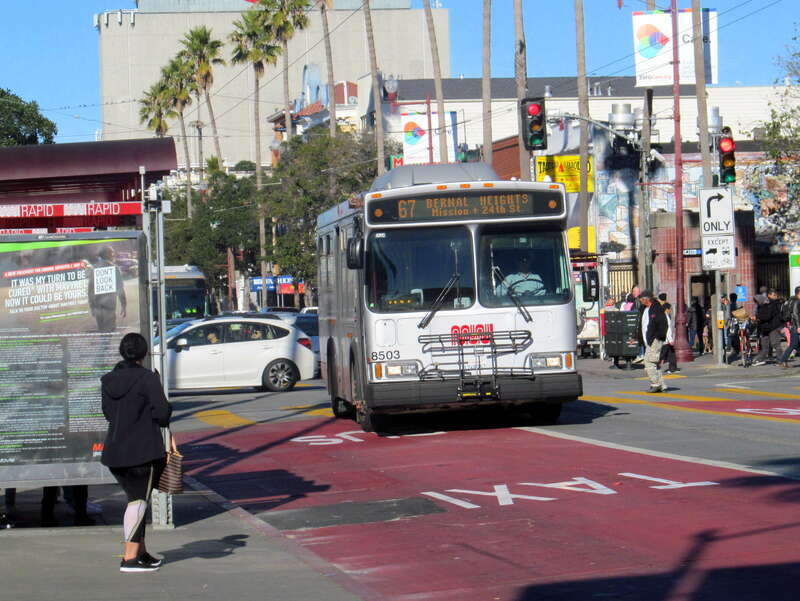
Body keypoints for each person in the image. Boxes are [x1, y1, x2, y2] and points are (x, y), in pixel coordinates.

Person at [101, 333, 172, 573]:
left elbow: (109, 414)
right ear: (144, 354)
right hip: (143, 451)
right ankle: (129, 558)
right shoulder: (147, 379)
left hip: (115, 452)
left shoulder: (109, 380)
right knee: (138, 501)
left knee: (135, 499)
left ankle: (141, 553)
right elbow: (162, 415)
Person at [87, 246, 127, 332]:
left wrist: (92, 306)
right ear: (107, 254)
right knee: (110, 330)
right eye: (112, 253)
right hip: (109, 307)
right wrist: (123, 305)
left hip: (98, 307)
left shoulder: (95, 268)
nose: (113, 255)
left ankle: (104, 344)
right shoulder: (114, 268)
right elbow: (120, 288)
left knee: (102, 331)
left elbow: (90, 290)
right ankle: (105, 345)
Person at [637, 290, 668, 393]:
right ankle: (662, 385)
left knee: (648, 361)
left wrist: (658, 336)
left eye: (641, 299)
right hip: (648, 340)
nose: (640, 301)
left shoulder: (656, 308)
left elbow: (663, 323)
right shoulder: (645, 309)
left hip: (655, 339)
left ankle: (655, 383)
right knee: (654, 363)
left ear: (647, 299)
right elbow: (642, 324)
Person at [752, 288, 784, 366]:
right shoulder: (762, 305)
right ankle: (758, 359)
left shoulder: (770, 304)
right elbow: (764, 315)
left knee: (775, 344)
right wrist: (757, 318)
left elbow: (767, 316)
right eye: (774, 295)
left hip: (773, 327)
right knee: (765, 346)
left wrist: (757, 317)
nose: (757, 303)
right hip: (765, 327)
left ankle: (781, 360)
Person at [779, 286, 800, 368]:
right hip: (795, 326)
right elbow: (795, 314)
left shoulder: (791, 300)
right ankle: (783, 360)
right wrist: (798, 326)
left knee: (796, 345)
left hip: (792, 325)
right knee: (793, 345)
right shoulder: (797, 301)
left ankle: (783, 360)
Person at [659, 299, 680, 375]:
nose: (670, 310)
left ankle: (673, 368)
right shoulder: (665, 317)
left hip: (667, 340)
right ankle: (656, 367)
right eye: (670, 309)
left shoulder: (666, 316)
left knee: (671, 354)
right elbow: (667, 330)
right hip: (666, 340)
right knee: (662, 354)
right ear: (666, 309)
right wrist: (670, 339)